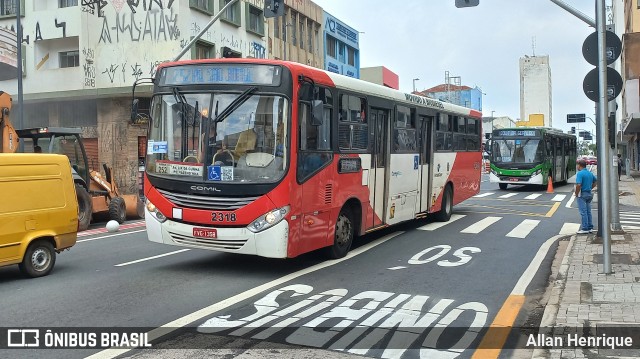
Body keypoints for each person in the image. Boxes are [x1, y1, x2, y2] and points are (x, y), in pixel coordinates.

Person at [575, 159, 597, 234]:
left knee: (583, 212)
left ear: (579, 165)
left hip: (582, 194)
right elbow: (595, 181)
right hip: (589, 194)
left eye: (577, 165)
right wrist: (591, 187)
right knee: (588, 211)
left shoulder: (580, 174)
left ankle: (585, 228)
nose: (577, 166)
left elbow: (578, 184)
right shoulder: (589, 173)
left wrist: (576, 193)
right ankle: (590, 227)